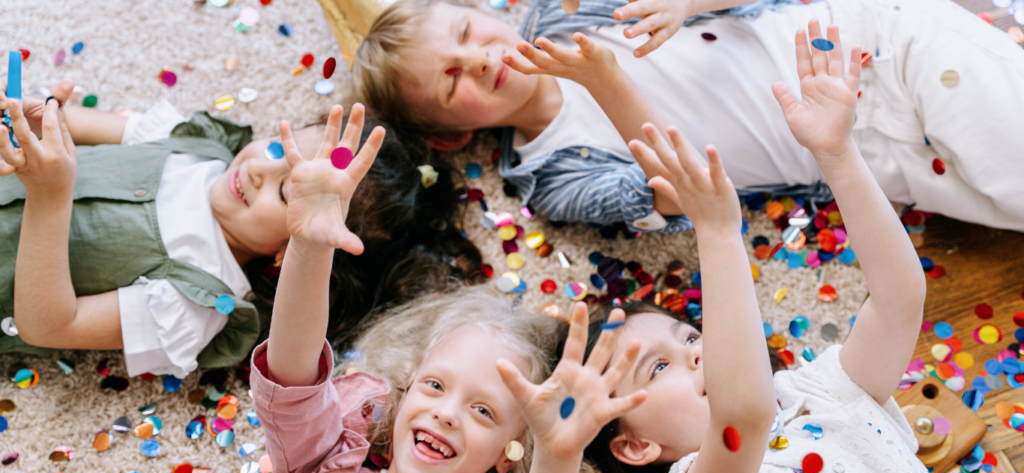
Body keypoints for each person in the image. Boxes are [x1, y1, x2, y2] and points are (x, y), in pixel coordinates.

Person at [579, 22, 1024, 473]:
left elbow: (899, 298)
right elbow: (744, 415)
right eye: (658, 367)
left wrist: (837, 154)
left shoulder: (815, 395)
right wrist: (717, 230)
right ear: (634, 446)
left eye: (690, 335)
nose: (697, 351)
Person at [144, 104, 648, 473]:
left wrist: (558, 456)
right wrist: (310, 245)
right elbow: (292, 369)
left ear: (507, 452)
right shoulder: (327, 459)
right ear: (402, 396)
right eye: (434, 386)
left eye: (483, 411)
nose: (447, 413)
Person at [352, 0, 1024, 233]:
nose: (478, 59)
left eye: (468, 31)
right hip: (876, 162)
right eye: (450, 83)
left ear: (485, 11)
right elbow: (678, 196)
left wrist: (685, 6)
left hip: (869, 48)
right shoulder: (552, 178)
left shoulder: (569, 12)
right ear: (451, 134)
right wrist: (605, 81)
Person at [0, 79, 482, 378]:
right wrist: (38, 119)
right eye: (279, 152)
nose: (258, 172)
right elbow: (71, 123)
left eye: (286, 193)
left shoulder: (195, 300)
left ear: (289, 256)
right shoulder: (199, 146)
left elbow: (49, 325)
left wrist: (49, 194)